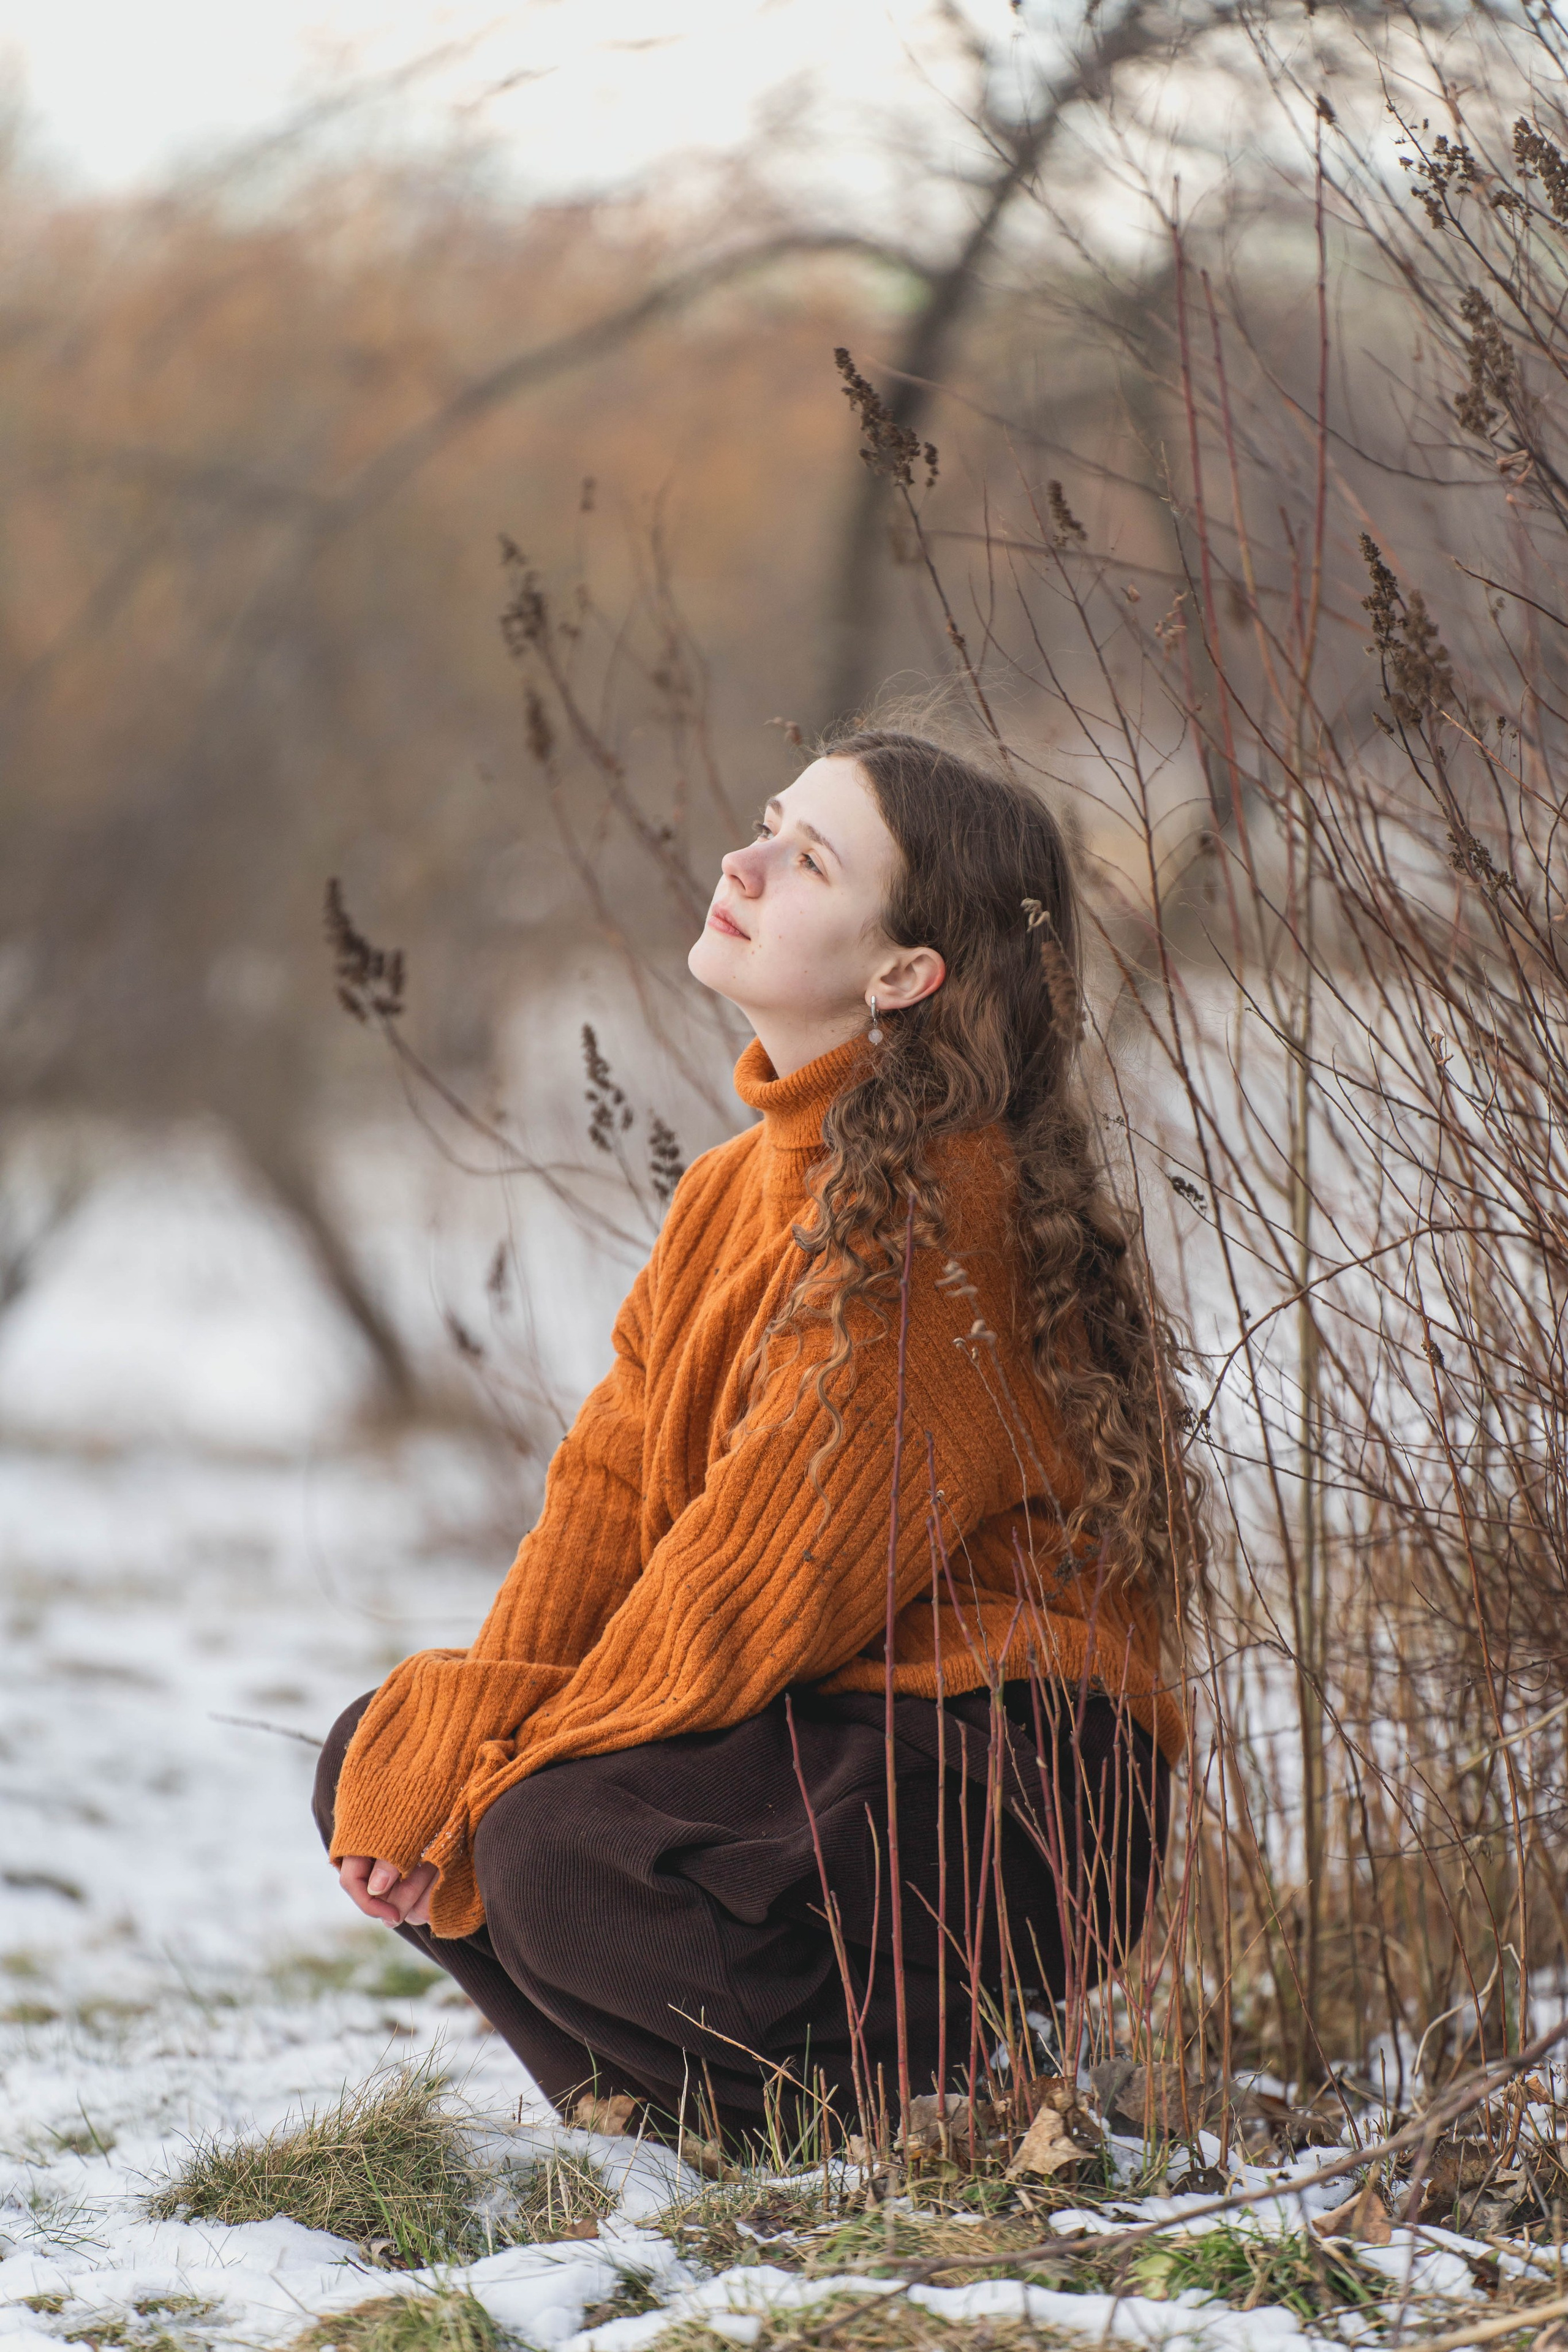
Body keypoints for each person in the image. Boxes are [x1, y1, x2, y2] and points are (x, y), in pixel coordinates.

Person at [314, 727, 1194, 2147]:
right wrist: (464, 1732)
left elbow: (746, 1593)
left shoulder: (929, 1219)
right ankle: (672, 2121)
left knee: (537, 1837)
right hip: (829, 1725)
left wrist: (490, 1777)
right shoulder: (732, 1189)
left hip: (1003, 1783)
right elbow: (606, 1494)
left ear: (903, 974)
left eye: (807, 858)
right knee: (381, 1758)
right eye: (769, 821)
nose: (742, 860)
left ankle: (906, 2101)